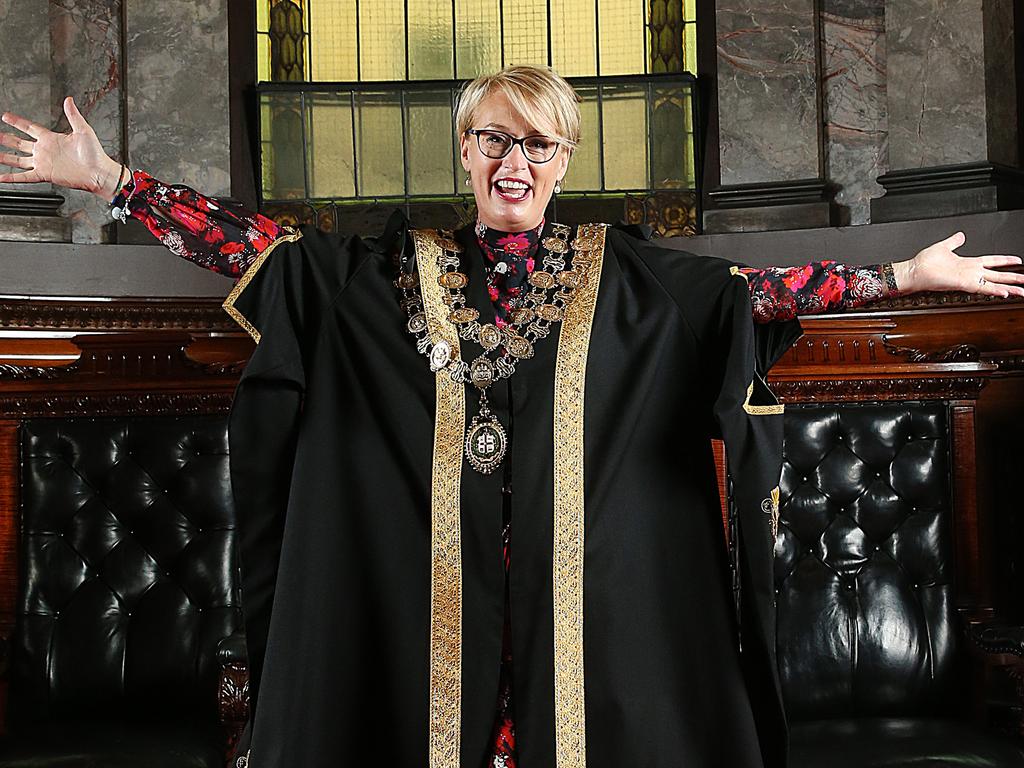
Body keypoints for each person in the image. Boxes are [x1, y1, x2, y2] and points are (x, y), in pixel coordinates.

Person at [2, 66, 1021, 768]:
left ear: (564, 161)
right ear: (466, 150)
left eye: (537, 144)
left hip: (574, 617)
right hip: (430, 611)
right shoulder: (387, 272)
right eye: (494, 138)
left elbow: (758, 291)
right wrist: (112, 182)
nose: (514, 163)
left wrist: (898, 273)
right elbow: (260, 249)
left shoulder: (628, 281)